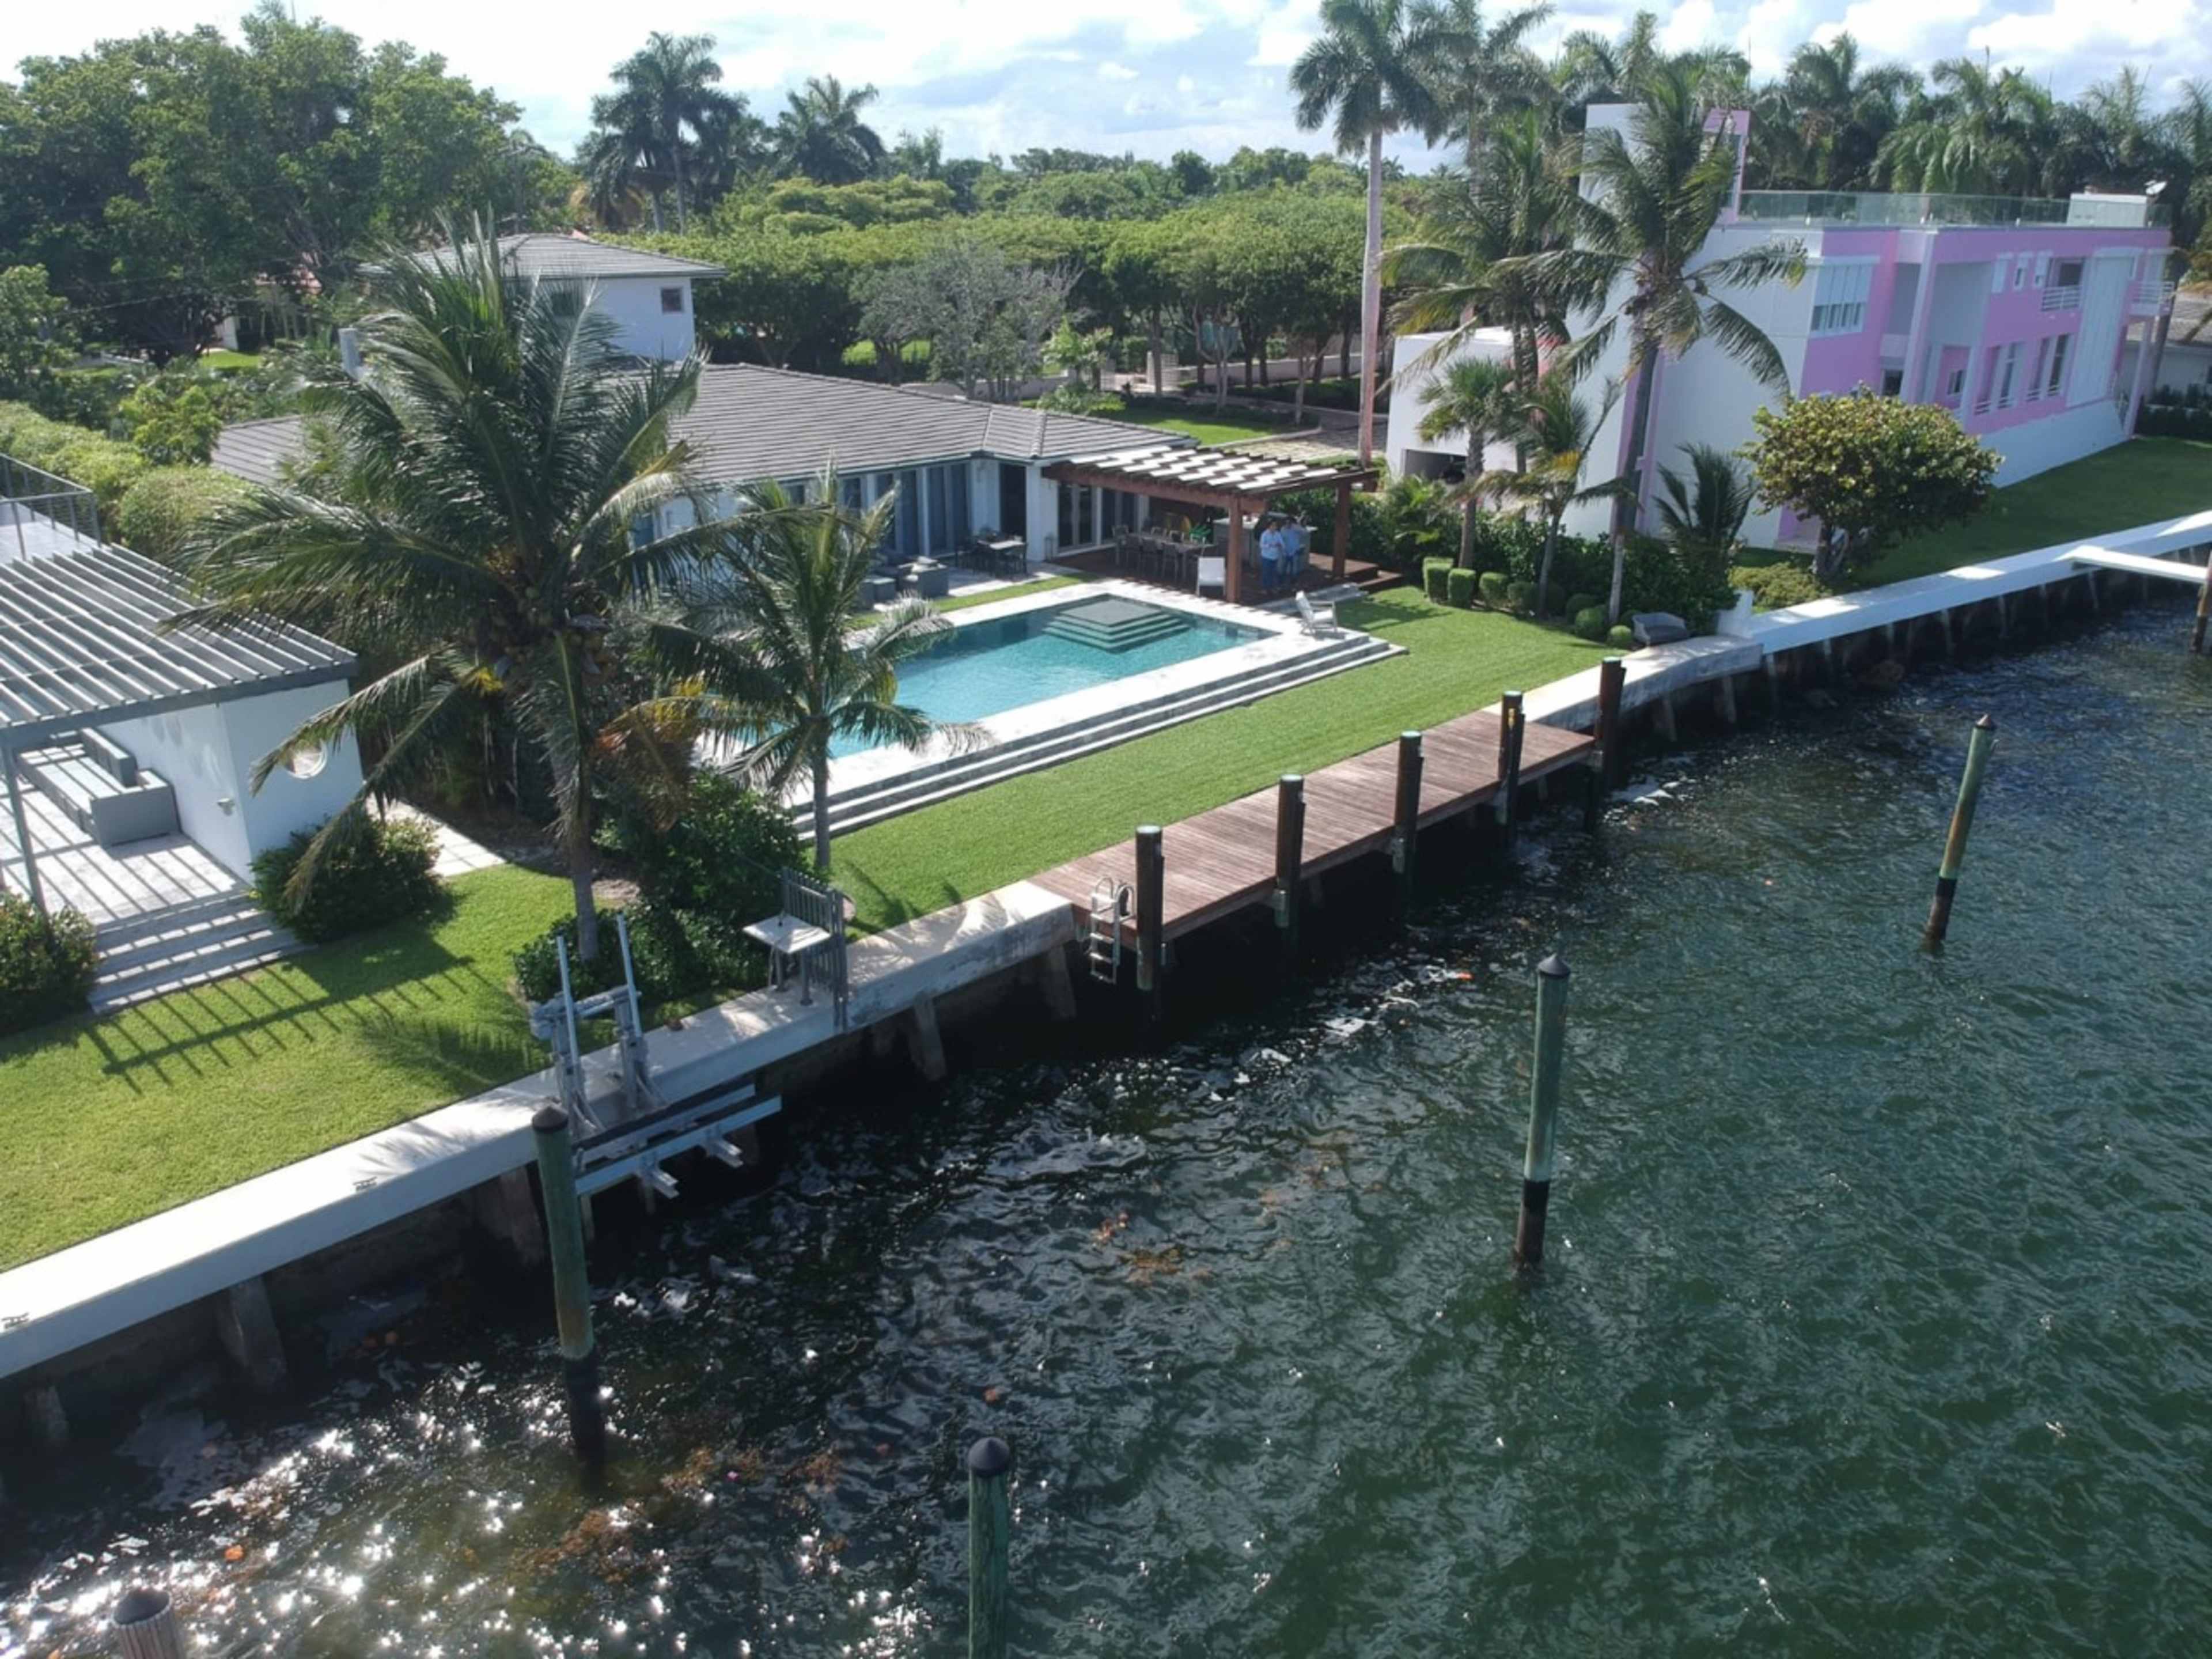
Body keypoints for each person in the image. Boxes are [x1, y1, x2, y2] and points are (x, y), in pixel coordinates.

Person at [1258, 518, 1287, 588]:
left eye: (1275, 526)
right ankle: (1265, 588)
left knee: (1273, 573)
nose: (1274, 527)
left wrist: (1280, 545)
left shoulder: (1278, 534)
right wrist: (1270, 545)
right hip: (1266, 557)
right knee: (1266, 573)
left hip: (1275, 557)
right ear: (1269, 526)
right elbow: (1261, 545)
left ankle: (1271, 587)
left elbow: (1283, 544)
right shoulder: (1265, 534)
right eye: (1273, 525)